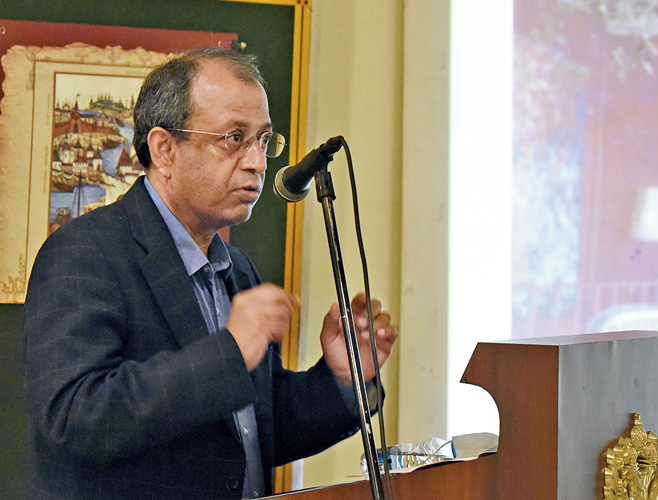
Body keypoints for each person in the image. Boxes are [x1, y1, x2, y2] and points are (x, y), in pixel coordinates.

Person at [23, 47, 397, 500]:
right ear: (164, 149)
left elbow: (251, 431)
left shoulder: (236, 269)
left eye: (262, 139)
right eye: (233, 138)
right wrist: (230, 352)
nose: (258, 161)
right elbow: (74, 418)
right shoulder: (86, 252)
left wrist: (342, 376)